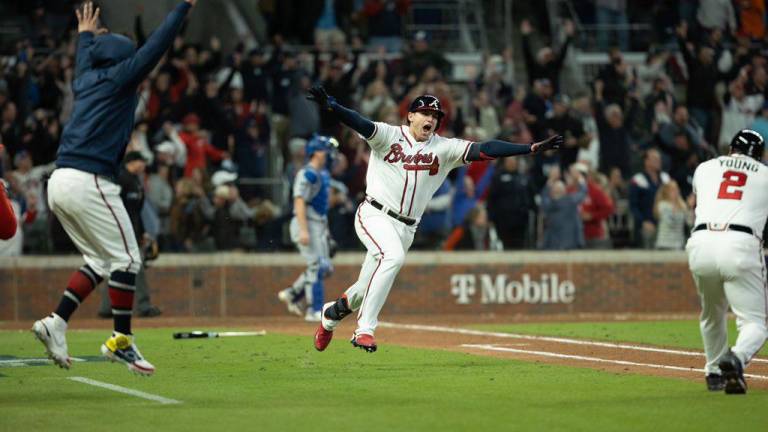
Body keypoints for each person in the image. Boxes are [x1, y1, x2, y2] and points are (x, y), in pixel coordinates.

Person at [307, 85, 562, 352]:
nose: (430, 119)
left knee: (362, 290)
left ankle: (330, 315)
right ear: (410, 116)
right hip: (374, 213)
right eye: (424, 113)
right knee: (392, 257)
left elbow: (485, 148)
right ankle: (365, 330)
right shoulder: (388, 135)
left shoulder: (445, 148)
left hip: (406, 228)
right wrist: (332, 106)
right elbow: (359, 121)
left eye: (435, 115)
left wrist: (530, 148)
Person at [31, 0, 196, 376]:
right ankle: (121, 341)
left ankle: (56, 322)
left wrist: (86, 34)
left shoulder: (85, 76)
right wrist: (183, 7)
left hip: (58, 181)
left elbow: (83, 55)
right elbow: (157, 44)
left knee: (100, 261)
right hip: (89, 180)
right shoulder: (121, 76)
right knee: (128, 260)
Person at [686, 129, 768, 394]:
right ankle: (736, 357)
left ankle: (713, 373)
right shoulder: (765, 174)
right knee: (755, 322)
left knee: (712, 312)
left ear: (732, 148)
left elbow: (702, 201)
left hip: (701, 242)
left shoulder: (704, 167)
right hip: (741, 244)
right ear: (760, 154)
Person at [278, 135, 338, 322]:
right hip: (306, 223)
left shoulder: (323, 174)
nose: (329, 154)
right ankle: (314, 309)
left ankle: (292, 293)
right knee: (316, 266)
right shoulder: (307, 174)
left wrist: (326, 233)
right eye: (325, 150)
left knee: (326, 268)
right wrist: (304, 230)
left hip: (319, 225)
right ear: (316, 152)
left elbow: (322, 209)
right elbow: (299, 201)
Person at [97, 152, 162, 318]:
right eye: (141, 161)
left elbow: (136, 213)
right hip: (118, 231)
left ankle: (107, 308)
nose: (143, 165)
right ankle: (143, 305)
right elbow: (111, 208)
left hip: (131, 231)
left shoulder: (135, 181)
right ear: (132, 162)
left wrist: (142, 233)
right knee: (135, 264)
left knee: (117, 267)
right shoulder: (120, 179)